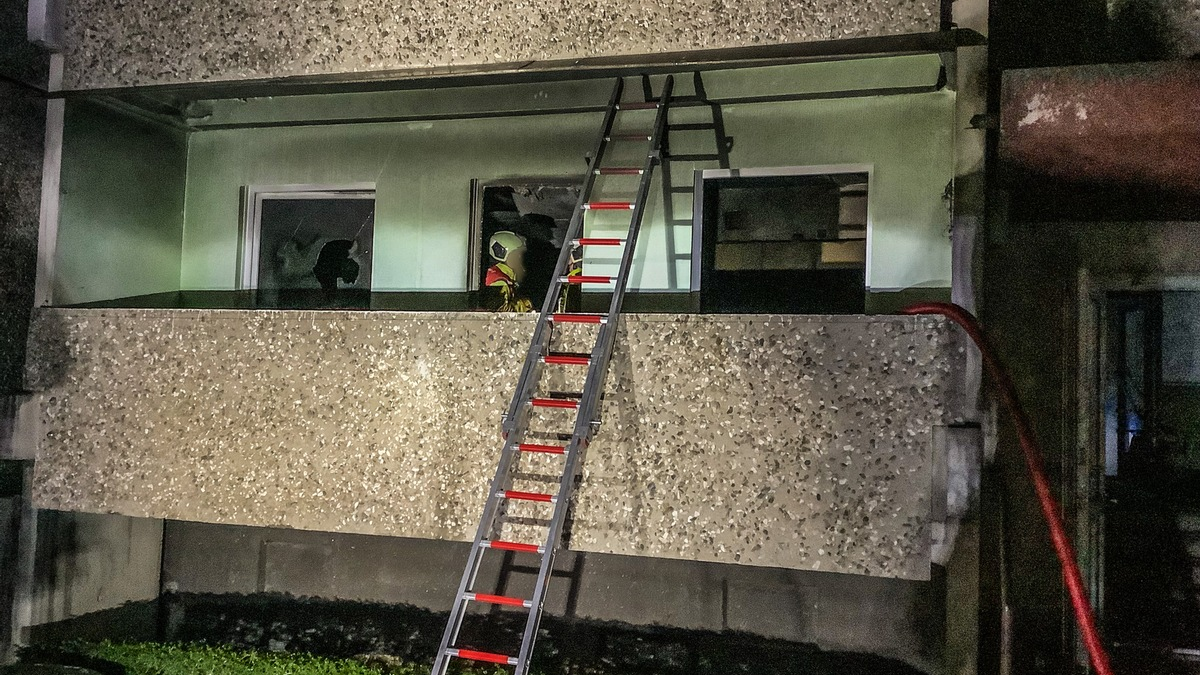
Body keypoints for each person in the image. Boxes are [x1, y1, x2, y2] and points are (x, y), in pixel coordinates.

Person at [484, 231, 534, 312]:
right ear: (502, 254)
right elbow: (499, 310)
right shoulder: (497, 280)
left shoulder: (507, 277)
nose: (519, 258)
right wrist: (524, 306)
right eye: (515, 254)